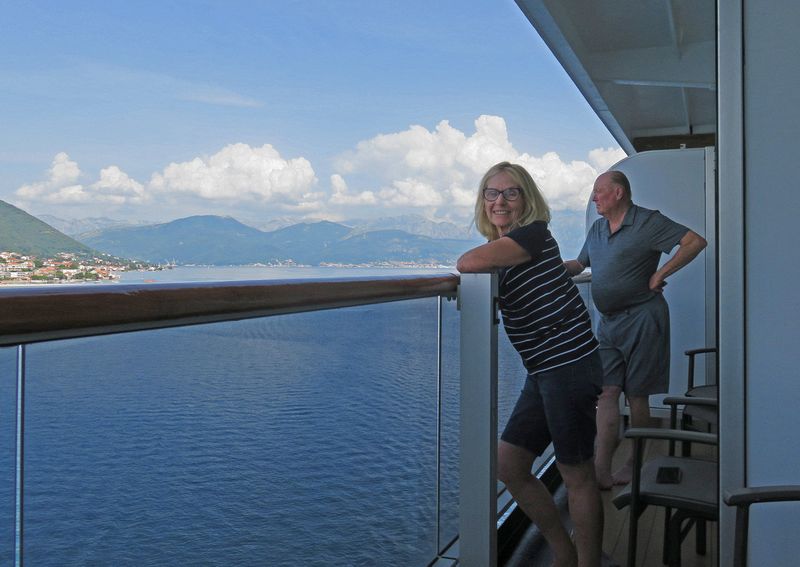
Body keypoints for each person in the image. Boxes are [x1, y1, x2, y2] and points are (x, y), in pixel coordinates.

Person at [458, 162, 603, 567]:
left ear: (527, 200)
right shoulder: (510, 247)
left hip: (569, 365)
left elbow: (467, 262)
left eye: (511, 192)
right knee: (509, 464)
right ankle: (564, 549)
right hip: (545, 370)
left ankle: (585, 562)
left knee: (576, 474)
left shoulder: (532, 234)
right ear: (482, 200)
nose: (499, 200)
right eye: (491, 192)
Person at [564, 170, 707, 490]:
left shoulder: (647, 222)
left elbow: (695, 242)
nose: (593, 198)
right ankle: (601, 469)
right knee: (607, 392)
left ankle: (635, 461)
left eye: (599, 191)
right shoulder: (598, 228)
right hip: (609, 322)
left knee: (636, 395)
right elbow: (579, 264)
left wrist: (660, 275)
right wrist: (544, 268)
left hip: (643, 317)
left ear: (618, 193)